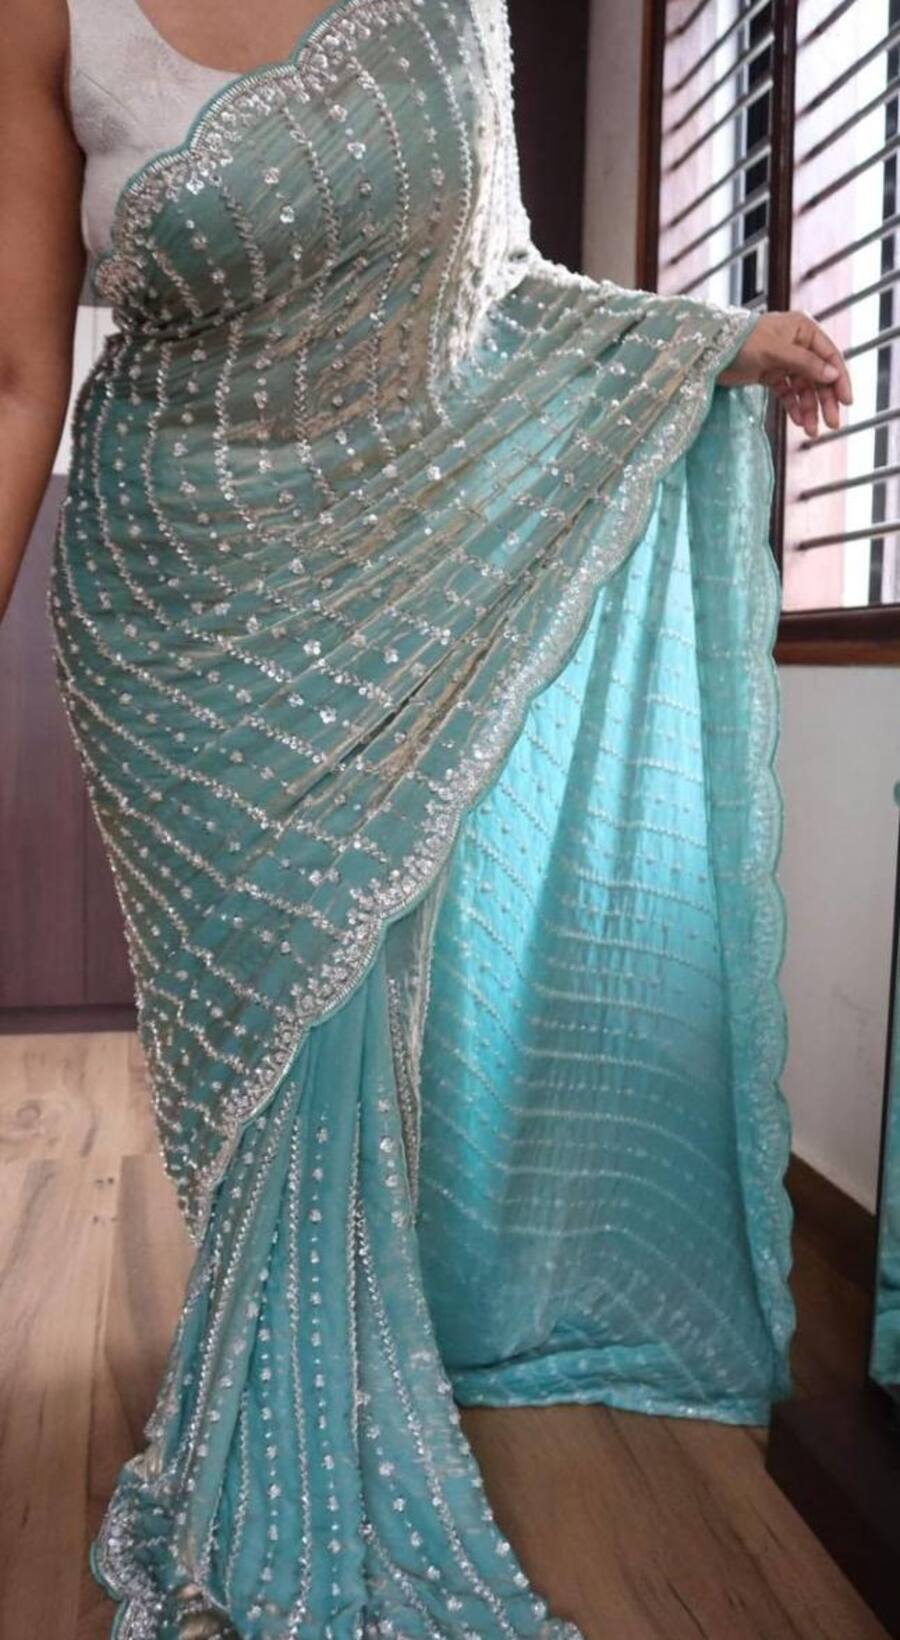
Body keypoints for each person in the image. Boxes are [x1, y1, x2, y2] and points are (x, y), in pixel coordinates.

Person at [0, 1, 853, 1636]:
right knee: (241, 1040)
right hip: (171, 603)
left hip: (376, 597)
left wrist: (706, 337)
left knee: (335, 1007)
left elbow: (496, 291)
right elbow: (23, 370)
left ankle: (301, 1378)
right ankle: (289, 1350)